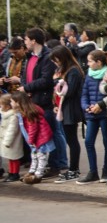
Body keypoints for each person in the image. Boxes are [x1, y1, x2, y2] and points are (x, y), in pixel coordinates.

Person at [14, 28, 68, 177]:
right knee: (41, 134)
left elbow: (46, 80)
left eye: (26, 39)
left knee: (53, 131)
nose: (25, 42)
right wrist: (25, 87)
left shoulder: (47, 57)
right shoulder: (29, 57)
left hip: (45, 101)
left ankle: (59, 163)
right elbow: (25, 75)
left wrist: (26, 87)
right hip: (32, 100)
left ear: (33, 40)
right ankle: (46, 163)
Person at [49, 45, 84, 183]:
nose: (56, 62)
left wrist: (59, 87)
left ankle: (74, 169)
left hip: (70, 109)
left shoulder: (73, 71)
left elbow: (70, 92)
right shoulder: (66, 70)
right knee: (70, 139)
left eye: (57, 59)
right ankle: (72, 169)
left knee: (72, 140)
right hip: (64, 108)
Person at [77, 50, 107, 184]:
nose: (88, 63)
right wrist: (86, 106)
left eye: (90, 61)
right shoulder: (88, 75)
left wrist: (99, 105)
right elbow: (84, 94)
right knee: (88, 141)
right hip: (91, 114)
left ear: (99, 62)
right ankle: (93, 172)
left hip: (104, 113)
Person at [11, 91, 54, 184]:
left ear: (18, 102)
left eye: (12, 101)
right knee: (34, 155)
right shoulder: (22, 112)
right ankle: (32, 172)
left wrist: (31, 140)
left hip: (40, 138)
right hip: (35, 139)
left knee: (41, 156)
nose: (11, 103)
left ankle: (38, 175)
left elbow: (33, 128)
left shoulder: (29, 112)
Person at [0, 93, 23, 182]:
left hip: (12, 141)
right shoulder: (5, 114)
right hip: (6, 140)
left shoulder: (13, 116)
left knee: (14, 158)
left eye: (1, 104)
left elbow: (11, 130)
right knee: (10, 158)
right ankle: (11, 172)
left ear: (7, 106)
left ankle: (15, 174)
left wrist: (7, 142)